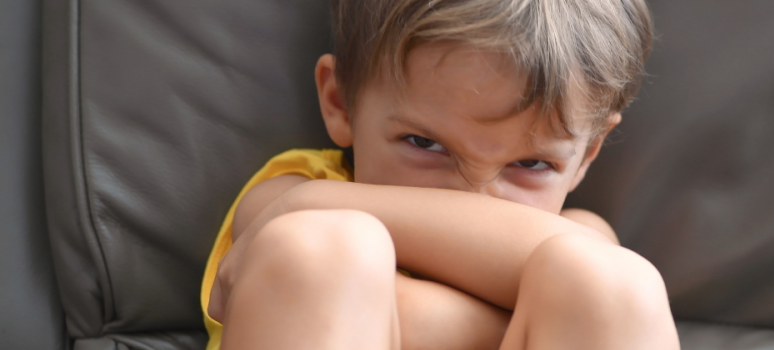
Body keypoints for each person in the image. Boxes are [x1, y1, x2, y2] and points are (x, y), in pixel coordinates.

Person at [201, 0, 679, 349]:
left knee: (612, 284)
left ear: (588, 152)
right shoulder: (290, 197)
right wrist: (310, 205)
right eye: (425, 144)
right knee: (316, 244)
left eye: (531, 164)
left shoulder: (581, 245)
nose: (475, 193)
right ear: (340, 102)